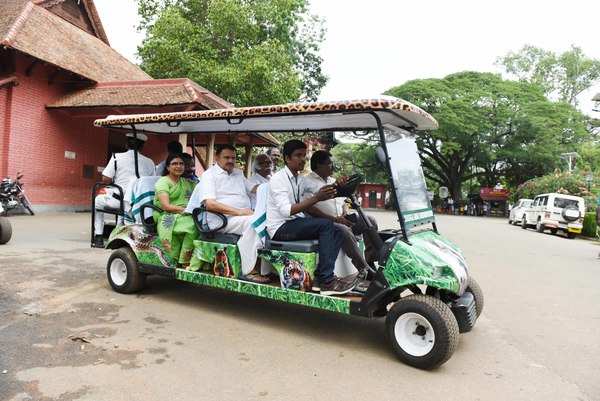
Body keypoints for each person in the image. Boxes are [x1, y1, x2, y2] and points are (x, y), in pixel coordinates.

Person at [266, 140, 357, 295]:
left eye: (304, 156)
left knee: (337, 229)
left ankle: (323, 277)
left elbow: (320, 189)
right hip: (280, 228)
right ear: (287, 158)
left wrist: (338, 185)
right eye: (298, 155)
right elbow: (286, 211)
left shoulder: (299, 178)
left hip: (293, 223)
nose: (303, 159)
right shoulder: (278, 179)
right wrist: (316, 198)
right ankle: (327, 281)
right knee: (326, 225)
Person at [187, 144, 268, 282]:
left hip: (240, 217)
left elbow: (253, 188)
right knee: (254, 222)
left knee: (268, 219)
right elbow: (210, 204)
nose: (230, 160)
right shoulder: (209, 175)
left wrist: (272, 187)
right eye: (226, 157)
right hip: (220, 219)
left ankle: (265, 266)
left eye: (233, 158)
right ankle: (248, 270)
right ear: (217, 157)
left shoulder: (238, 173)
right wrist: (240, 212)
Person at [302, 151, 379, 275]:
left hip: (340, 218)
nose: (333, 167)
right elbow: (309, 208)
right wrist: (335, 219)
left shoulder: (334, 181)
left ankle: (370, 260)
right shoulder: (306, 182)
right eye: (329, 164)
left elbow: (343, 202)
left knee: (369, 220)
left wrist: (344, 213)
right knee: (343, 229)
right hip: (323, 223)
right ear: (318, 165)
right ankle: (364, 270)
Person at [93, 133, 155, 247]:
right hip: (139, 204)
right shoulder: (150, 162)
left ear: (127, 144)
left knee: (97, 201)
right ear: (142, 147)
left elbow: (106, 179)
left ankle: (98, 236)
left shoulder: (117, 157)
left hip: (118, 202)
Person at [153, 153, 198, 268]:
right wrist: (185, 210)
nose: (178, 166)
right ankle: (184, 261)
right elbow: (166, 206)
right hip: (167, 215)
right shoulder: (163, 182)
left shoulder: (187, 183)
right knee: (193, 226)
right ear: (168, 167)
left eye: (181, 164)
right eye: (174, 164)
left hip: (185, 214)